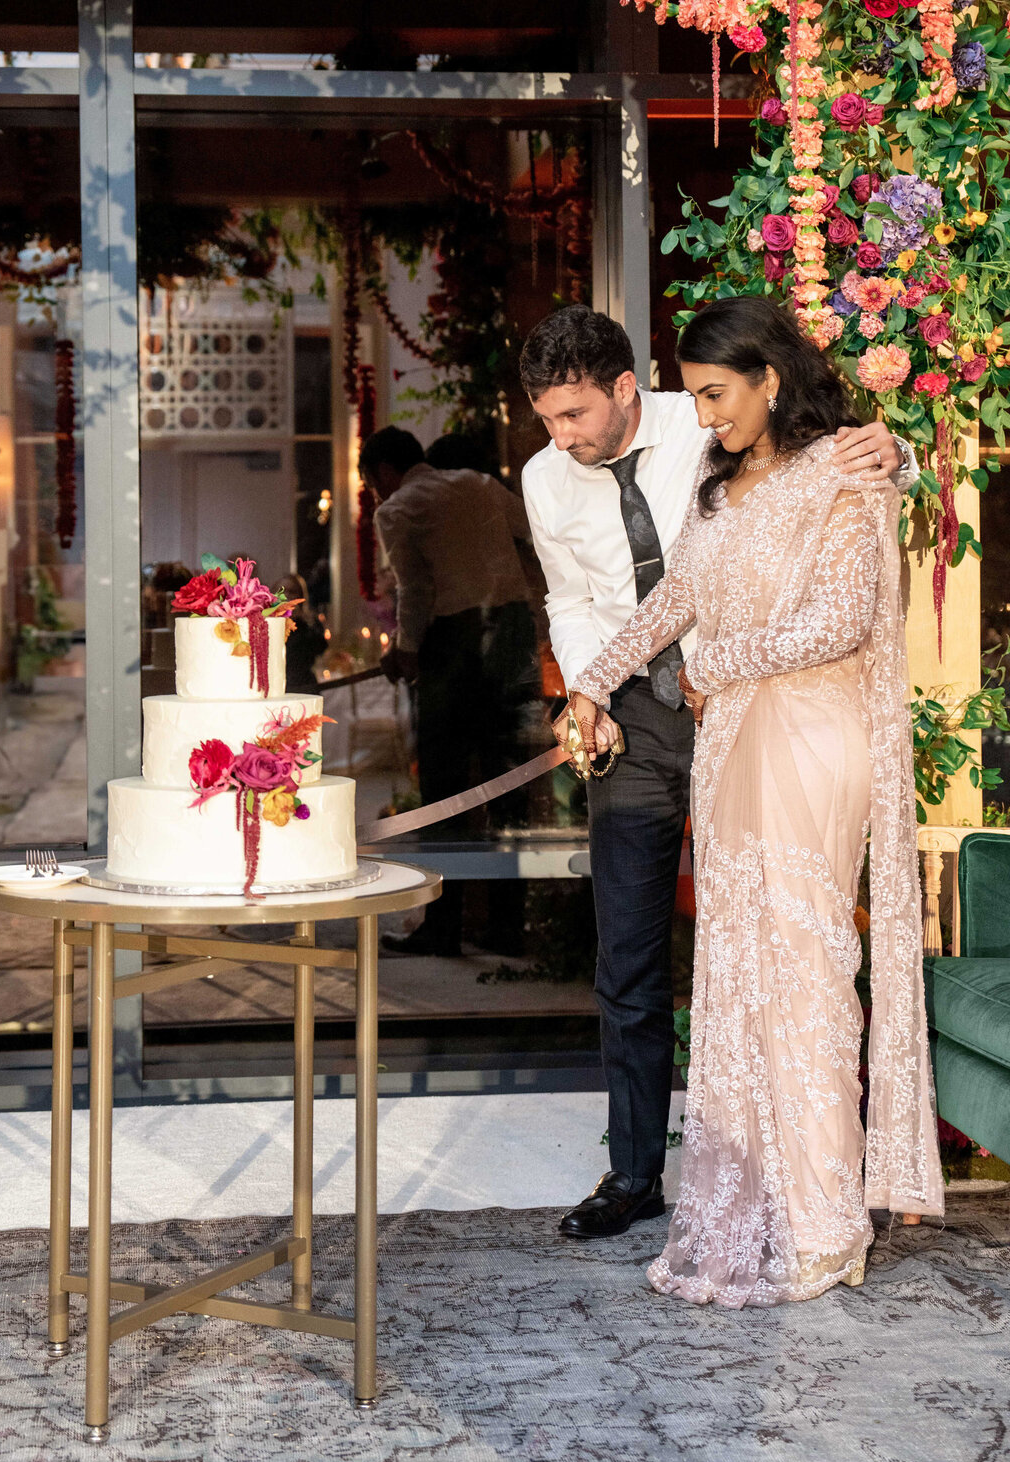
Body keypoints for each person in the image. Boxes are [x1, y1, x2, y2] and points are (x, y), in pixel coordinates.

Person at [550, 298, 943, 1304]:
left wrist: (718, 662)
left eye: (719, 395)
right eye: (699, 398)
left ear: (772, 378)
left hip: (810, 743)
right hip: (732, 746)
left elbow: (845, 619)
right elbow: (672, 598)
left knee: (807, 972)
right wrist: (591, 684)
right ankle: (754, 1200)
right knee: (738, 977)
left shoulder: (842, 476)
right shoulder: (721, 486)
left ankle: (826, 1220)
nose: (708, 416)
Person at [360, 425, 541, 955]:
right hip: (509, 634)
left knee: (445, 791)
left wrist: (406, 649)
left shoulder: (396, 510)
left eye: (372, 483)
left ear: (382, 472)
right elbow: (535, 536)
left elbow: (416, 589)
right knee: (508, 780)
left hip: (453, 647)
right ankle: (508, 928)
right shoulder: (480, 484)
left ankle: (444, 926)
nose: (375, 493)